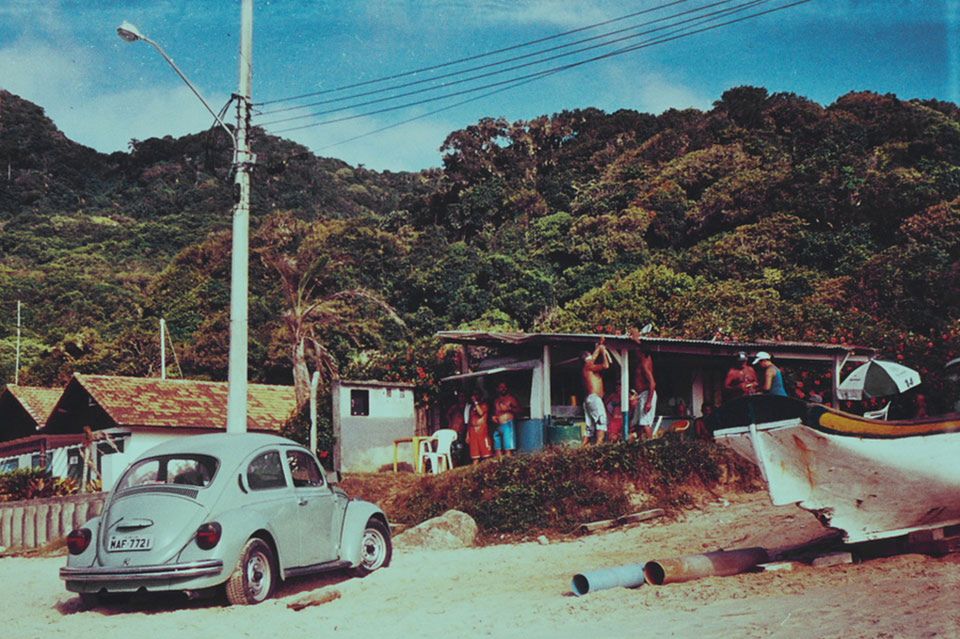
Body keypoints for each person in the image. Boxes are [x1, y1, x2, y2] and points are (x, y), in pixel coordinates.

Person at [581, 340, 611, 444]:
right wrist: (601, 350)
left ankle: (583, 448)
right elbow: (606, 365)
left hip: (590, 399)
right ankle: (598, 446)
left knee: (590, 427)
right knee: (601, 422)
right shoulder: (588, 366)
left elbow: (597, 360)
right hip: (593, 398)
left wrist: (600, 348)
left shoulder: (589, 369)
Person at [631, 347, 657, 439]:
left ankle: (650, 445)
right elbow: (641, 344)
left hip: (647, 394)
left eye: (637, 351)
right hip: (641, 395)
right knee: (638, 423)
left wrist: (649, 401)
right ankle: (641, 444)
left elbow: (652, 384)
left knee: (645, 422)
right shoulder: (641, 362)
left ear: (642, 352)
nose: (635, 352)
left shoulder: (645, 364)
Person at [492, 382, 521, 457]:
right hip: (498, 426)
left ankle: (509, 466)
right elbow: (494, 412)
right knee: (497, 448)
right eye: (501, 387)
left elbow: (519, 410)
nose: (503, 389)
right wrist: (493, 417)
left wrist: (509, 408)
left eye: (504, 387)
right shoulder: (496, 400)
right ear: (498, 389)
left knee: (508, 449)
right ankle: (499, 466)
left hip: (508, 425)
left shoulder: (511, 398)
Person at [466, 390, 493, 464]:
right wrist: (468, 434)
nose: (474, 396)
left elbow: (480, 413)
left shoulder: (484, 405)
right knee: (475, 456)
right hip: (473, 431)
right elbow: (469, 420)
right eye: (473, 395)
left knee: (486, 455)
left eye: (476, 395)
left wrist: (476, 402)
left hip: (482, 431)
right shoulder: (472, 407)